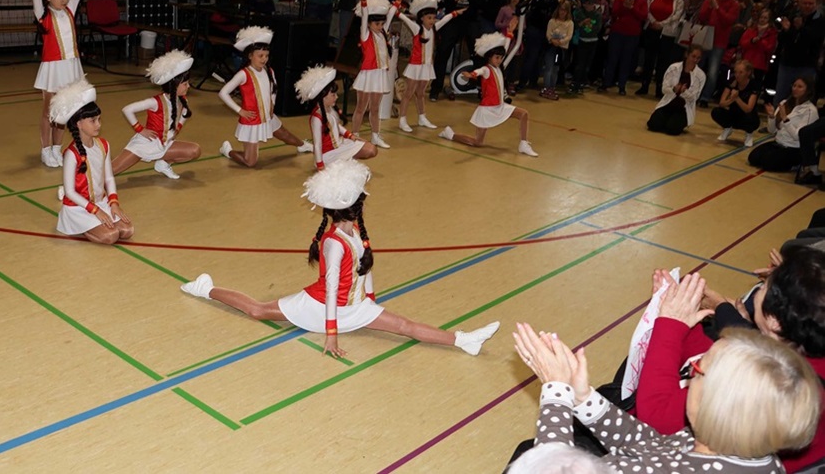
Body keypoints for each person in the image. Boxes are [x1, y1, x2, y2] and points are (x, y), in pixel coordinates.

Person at [180, 160, 500, 357]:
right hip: (319, 306)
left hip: (355, 307)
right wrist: (331, 335)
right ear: (353, 207)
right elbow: (331, 289)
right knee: (258, 310)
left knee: (405, 325)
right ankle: (205, 288)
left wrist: (371, 300)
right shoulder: (333, 243)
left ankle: (463, 340)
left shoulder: (356, 232)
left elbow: (364, 267)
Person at [514, 316, 820, 473]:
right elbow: (657, 445)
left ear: (716, 406)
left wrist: (556, 390)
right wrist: (583, 398)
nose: (690, 372)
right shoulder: (738, 447)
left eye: (697, 368)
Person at [634, 247, 825, 473]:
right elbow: (717, 360)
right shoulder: (798, 361)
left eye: (764, 286)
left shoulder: (764, 380)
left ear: (774, 320)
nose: (759, 290)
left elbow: (656, 417)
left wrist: (670, 323)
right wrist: (686, 325)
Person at [15, 0, 104, 168]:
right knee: (49, 112)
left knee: (66, 110)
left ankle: (57, 148)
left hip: (72, 67)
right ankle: (46, 150)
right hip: (53, 68)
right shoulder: (42, 14)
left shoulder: (70, 9)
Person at [50, 78, 133, 245]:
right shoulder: (71, 154)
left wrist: (113, 203)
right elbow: (70, 192)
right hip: (79, 208)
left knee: (127, 230)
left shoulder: (103, 145)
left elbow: (109, 178)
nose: (98, 125)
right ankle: (81, 226)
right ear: (79, 124)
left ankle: (98, 224)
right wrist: (95, 211)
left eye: (99, 119)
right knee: (111, 236)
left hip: (101, 202)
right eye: (93, 121)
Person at [439, 16, 538, 156]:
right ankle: (450, 135)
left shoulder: (499, 67)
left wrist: (510, 32)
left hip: (500, 106)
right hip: (487, 109)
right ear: (489, 57)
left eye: (501, 57)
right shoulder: (486, 69)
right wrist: (471, 74)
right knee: (477, 142)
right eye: (497, 57)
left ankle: (523, 144)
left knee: (523, 114)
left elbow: (505, 47)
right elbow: (479, 72)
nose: (499, 60)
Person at [218, 26, 313, 167]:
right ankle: (227, 150)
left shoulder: (269, 71)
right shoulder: (243, 74)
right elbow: (223, 93)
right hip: (252, 121)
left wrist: (272, 103)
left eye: (266, 56)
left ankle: (302, 145)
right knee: (250, 162)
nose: (264, 59)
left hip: (267, 116)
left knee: (285, 135)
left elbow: (274, 89)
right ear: (250, 56)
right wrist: (240, 110)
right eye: (260, 56)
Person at [111, 50, 201, 180]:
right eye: (185, 84)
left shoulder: (182, 100)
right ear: (174, 85)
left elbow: (184, 113)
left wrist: (177, 128)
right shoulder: (155, 102)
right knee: (111, 170)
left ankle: (163, 164)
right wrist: (140, 129)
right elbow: (127, 109)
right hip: (146, 144)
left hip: (164, 145)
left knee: (195, 151)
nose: (188, 86)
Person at [350, 0, 406, 149]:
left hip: (380, 74)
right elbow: (365, 16)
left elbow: (391, 13)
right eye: (377, 24)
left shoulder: (382, 32)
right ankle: (354, 136)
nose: (380, 27)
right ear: (369, 24)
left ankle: (375, 135)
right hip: (368, 74)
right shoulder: (365, 34)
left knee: (375, 108)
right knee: (361, 107)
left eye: (382, 24)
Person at [395, 0, 461, 132]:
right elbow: (404, 18)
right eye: (429, 18)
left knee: (421, 93)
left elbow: (446, 19)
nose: (432, 20)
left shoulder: (434, 28)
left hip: (426, 66)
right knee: (408, 93)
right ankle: (402, 120)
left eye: (433, 18)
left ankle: (422, 117)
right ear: (422, 18)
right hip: (415, 65)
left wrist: (456, 13)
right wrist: (396, 8)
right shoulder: (416, 28)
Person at [295, 66, 377, 170]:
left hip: (339, 145)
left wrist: (350, 136)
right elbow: (317, 145)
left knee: (371, 149)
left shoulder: (329, 108)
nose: (337, 97)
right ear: (323, 97)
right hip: (328, 155)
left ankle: (345, 161)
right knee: (370, 150)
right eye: (333, 95)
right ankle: (340, 163)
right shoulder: (317, 118)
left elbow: (336, 126)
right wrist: (320, 166)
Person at [430, 0, 483, 101]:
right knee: (442, 51)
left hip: (471, 20)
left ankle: (481, 87)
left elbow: (481, 3)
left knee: (478, 52)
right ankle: (436, 88)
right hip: (453, 20)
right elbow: (444, 3)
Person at [749, 77, 818, 171]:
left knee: (768, 163)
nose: (795, 89)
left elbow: (798, 136)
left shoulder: (810, 110)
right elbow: (772, 130)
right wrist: (772, 116)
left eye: (800, 87)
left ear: (808, 90)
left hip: (794, 148)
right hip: (778, 143)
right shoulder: (785, 103)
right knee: (753, 158)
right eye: (794, 86)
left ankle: (797, 164)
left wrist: (785, 119)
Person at [637, 0, 684, 97]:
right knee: (648, 59)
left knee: (663, 62)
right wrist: (653, 21)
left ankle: (659, 87)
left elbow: (677, 14)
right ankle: (644, 85)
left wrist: (661, 24)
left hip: (667, 32)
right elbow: (647, 6)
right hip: (651, 28)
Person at [599, 0, 647, 96]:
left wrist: (632, 8)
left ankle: (622, 86)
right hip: (617, 33)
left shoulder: (642, 1)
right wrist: (624, 7)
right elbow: (614, 13)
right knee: (612, 59)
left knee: (626, 61)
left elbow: (643, 16)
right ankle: (606, 83)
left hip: (632, 35)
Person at [773, 0, 824, 105]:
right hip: (787, 64)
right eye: (805, 3)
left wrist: (801, 28)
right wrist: (786, 30)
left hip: (806, 66)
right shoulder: (793, 16)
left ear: (816, 4)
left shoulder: (820, 21)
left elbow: (814, 39)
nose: (807, 6)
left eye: (810, 3)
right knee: (780, 98)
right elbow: (782, 40)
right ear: (800, 3)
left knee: (804, 99)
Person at [646, 44, 705, 135]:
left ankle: (674, 122)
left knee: (672, 130)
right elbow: (664, 89)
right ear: (687, 54)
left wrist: (684, 92)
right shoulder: (673, 68)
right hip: (668, 104)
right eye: (693, 56)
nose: (695, 60)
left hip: (683, 108)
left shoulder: (701, 76)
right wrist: (674, 89)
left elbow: (694, 98)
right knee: (653, 125)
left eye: (698, 58)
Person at [697, 0, 740, 105]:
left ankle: (705, 97)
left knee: (713, 71)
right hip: (705, 39)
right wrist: (709, 8)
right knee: (697, 67)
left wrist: (717, 8)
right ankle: (694, 93)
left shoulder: (734, 5)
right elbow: (701, 17)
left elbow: (727, 21)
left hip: (719, 42)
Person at [518, 0, 560, 91]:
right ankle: (522, 82)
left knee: (540, 58)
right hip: (535, 27)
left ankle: (533, 81)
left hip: (547, 29)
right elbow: (538, 6)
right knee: (531, 55)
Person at [710, 60, 761, 147]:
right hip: (733, 114)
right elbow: (721, 103)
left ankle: (749, 134)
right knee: (716, 112)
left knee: (751, 118)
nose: (737, 75)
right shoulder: (732, 83)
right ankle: (727, 128)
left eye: (741, 72)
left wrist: (737, 98)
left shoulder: (753, 85)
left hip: (746, 116)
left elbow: (748, 109)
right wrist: (731, 99)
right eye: (736, 72)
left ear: (748, 73)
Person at [542, 0, 573, 100]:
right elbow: (548, 33)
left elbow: (569, 36)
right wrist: (552, 40)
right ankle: (546, 87)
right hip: (551, 47)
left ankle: (552, 87)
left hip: (561, 49)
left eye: (565, 10)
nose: (562, 12)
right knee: (548, 68)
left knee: (555, 69)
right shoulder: (552, 21)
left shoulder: (570, 23)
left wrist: (561, 41)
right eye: (561, 9)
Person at [570, 0, 602, 94]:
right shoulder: (580, 13)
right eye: (587, 4)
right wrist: (583, 22)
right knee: (580, 64)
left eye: (591, 3)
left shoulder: (597, 15)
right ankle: (575, 83)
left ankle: (582, 82)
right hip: (582, 41)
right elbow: (576, 25)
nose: (589, 6)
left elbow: (598, 28)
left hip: (593, 41)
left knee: (587, 65)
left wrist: (588, 25)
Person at [738, 8, 778, 82]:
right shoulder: (751, 29)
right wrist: (752, 41)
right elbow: (742, 43)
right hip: (747, 62)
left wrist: (760, 41)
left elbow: (770, 48)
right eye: (761, 17)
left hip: (760, 64)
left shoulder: (772, 33)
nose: (762, 19)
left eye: (765, 18)